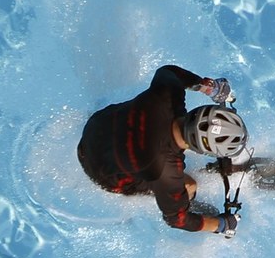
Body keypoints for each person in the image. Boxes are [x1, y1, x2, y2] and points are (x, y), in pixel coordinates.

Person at [77, 65, 247, 235]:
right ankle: (179, 199)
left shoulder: (169, 94)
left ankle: (173, 198)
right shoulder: (164, 172)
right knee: (190, 185)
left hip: (96, 127)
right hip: (97, 168)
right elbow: (177, 219)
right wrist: (222, 225)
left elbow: (168, 71)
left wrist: (209, 87)